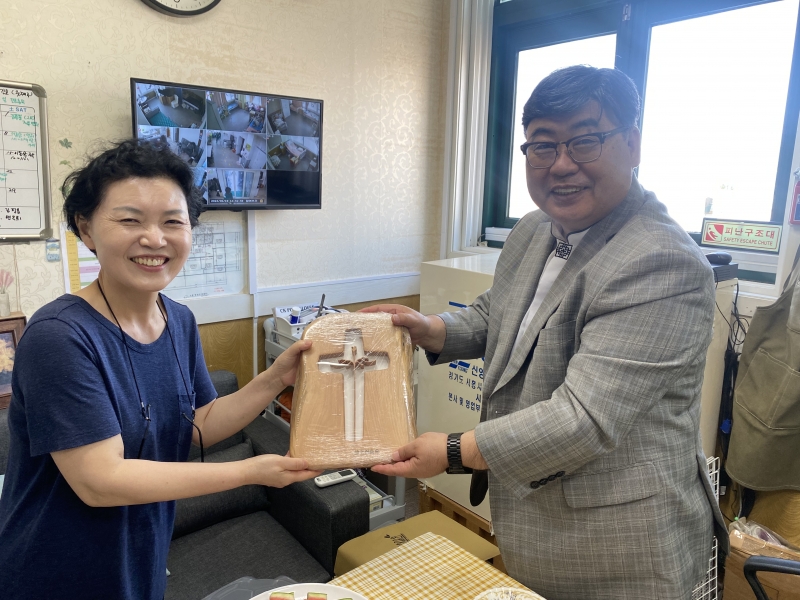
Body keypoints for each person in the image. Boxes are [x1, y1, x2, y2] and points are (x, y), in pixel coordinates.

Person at [368, 66, 727, 599]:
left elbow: (582, 419)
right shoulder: (535, 228)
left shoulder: (660, 261)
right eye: (542, 145)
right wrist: (431, 329)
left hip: (621, 547)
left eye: (584, 141)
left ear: (632, 144)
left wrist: (452, 450)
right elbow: (498, 314)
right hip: (536, 519)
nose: (561, 165)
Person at [0, 139, 320, 600]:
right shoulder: (59, 336)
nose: (155, 239)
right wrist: (251, 471)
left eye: (173, 221)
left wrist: (276, 379)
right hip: (53, 573)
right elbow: (100, 481)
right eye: (130, 220)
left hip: (140, 561)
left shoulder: (179, 320)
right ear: (86, 229)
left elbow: (200, 423)